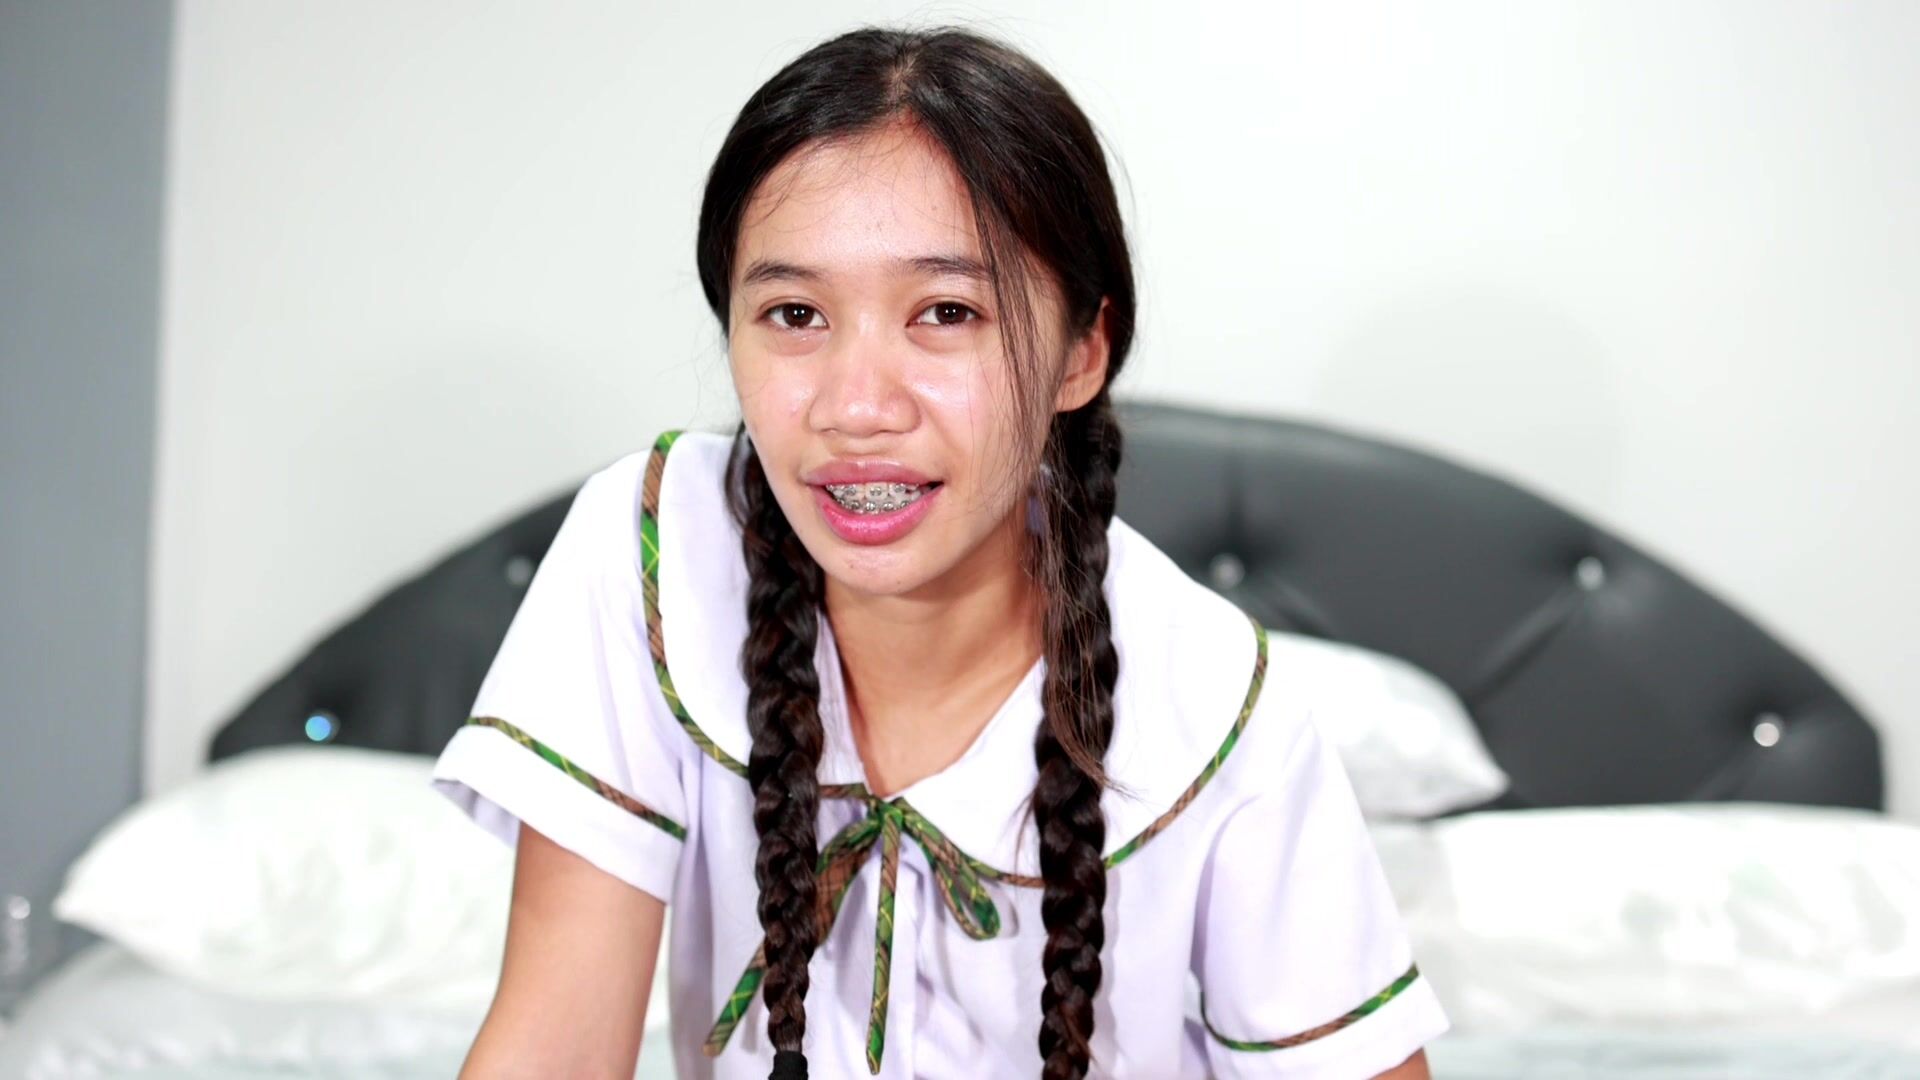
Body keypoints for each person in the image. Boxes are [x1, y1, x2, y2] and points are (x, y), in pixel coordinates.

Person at [430, 22, 1449, 1080]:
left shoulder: (1213, 700)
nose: (857, 406)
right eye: (794, 313)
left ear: (1082, 353)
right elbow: (554, 1045)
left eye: (947, 312)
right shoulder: (655, 551)